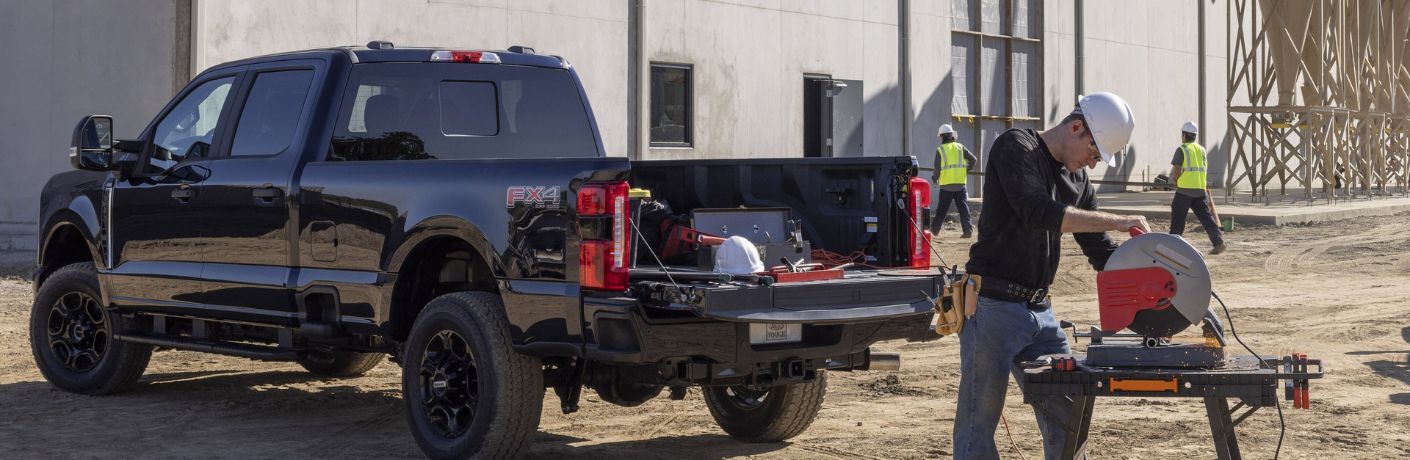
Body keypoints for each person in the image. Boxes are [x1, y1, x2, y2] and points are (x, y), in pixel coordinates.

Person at [955, 92, 1150, 460]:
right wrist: (1120, 220)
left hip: (1041, 314)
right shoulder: (1016, 148)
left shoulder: (1078, 182)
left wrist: (1150, 285)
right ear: (1077, 128)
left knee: (1067, 414)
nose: (1091, 165)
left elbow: (1100, 252)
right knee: (978, 421)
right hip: (992, 306)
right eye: (1093, 154)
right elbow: (1037, 211)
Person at [1169, 121, 1227, 254]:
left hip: (1184, 191)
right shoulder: (1202, 150)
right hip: (1200, 191)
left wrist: (1176, 180)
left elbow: (1177, 171)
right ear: (1195, 136)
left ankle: (1172, 246)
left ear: (1184, 135)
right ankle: (1218, 242)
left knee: (1178, 219)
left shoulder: (1182, 149)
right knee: (1207, 218)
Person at [930, 124, 979, 238]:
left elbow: (937, 168)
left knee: (941, 210)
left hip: (946, 185)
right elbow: (973, 159)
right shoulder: (960, 147)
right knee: (963, 209)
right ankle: (968, 231)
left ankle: (934, 231)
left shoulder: (940, 150)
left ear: (942, 136)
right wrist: (966, 169)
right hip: (960, 184)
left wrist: (934, 179)